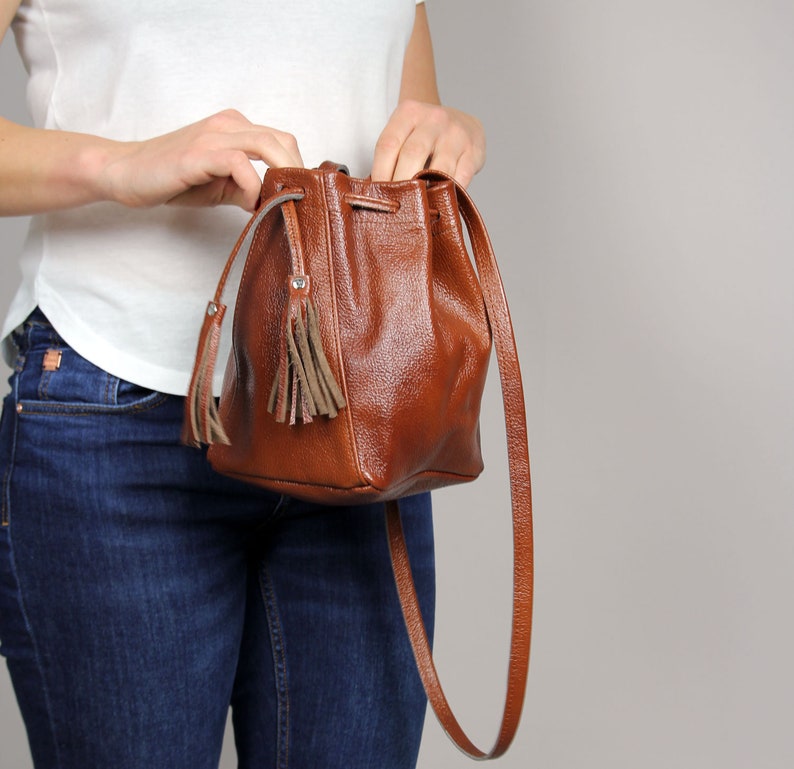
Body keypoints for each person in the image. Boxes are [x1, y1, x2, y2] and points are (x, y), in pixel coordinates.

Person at [0, 1, 485, 767]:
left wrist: (444, 133)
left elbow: (398, 116)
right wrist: (119, 165)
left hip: (349, 415)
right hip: (113, 422)